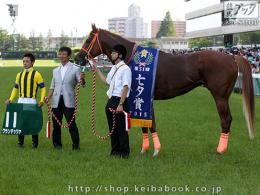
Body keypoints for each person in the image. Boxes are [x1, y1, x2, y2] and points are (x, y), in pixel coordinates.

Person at [93, 44, 131, 158]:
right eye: (112, 52)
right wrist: (96, 70)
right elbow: (106, 81)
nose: (111, 54)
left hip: (120, 100)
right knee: (112, 128)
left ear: (120, 55)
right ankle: (115, 152)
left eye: (114, 53)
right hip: (111, 100)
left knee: (121, 129)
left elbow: (125, 87)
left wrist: (121, 104)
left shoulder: (125, 69)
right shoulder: (114, 68)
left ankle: (124, 153)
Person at [45, 47, 85, 150]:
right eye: (60, 54)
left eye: (63, 54)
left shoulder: (75, 69)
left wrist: (82, 80)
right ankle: (57, 145)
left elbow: (81, 83)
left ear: (69, 56)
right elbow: (52, 86)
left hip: (69, 101)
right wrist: (48, 97)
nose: (61, 56)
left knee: (71, 125)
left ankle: (76, 146)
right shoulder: (55, 70)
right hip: (56, 101)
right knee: (56, 125)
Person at [5, 53, 46, 148]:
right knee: (21, 122)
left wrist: (41, 100)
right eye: (23, 61)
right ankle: (20, 143)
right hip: (21, 101)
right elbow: (15, 88)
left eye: (27, 61)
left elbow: (43, 88)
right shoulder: (19, 75)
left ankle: (35, 144)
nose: (25, 63)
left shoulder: (37, 74)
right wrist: (10, 99)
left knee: (32, 122)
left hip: (31, 101)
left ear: (32, 62)